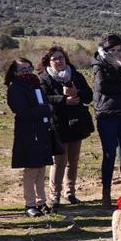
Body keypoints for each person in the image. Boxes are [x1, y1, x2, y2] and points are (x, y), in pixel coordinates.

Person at [39, 46, 93, 209]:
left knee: (74, 160)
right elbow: (43, 97)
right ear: (49, 61)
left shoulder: (76, 75)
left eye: (61, 57)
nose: (59, 61)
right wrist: (64, 100)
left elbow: (89, 95)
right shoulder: (44, 78)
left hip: (76, 124)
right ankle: (54, 195)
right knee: (59, 161)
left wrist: (77, 93)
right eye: (55, 58)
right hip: (57, 124)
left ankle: (70, 192)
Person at [5, 57, 59, 216]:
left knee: (41, 168)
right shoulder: (15, 88)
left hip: (42, 130)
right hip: (28, 132)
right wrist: (46, 109)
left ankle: (41, 202)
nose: (27, 72)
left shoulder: (35, 84)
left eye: (29, 68)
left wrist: (47, 108)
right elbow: (22, 112)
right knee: (31, 169)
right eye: (23, 70)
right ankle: (30, 204)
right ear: (15, 72)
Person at [92, 34, 121, 206]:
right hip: (107, 115)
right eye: (113, 50)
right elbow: (102, 87)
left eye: (119, 49)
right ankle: (106, 192)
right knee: (109, 154)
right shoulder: (99, 64)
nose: (117, 53)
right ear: (106, 51)